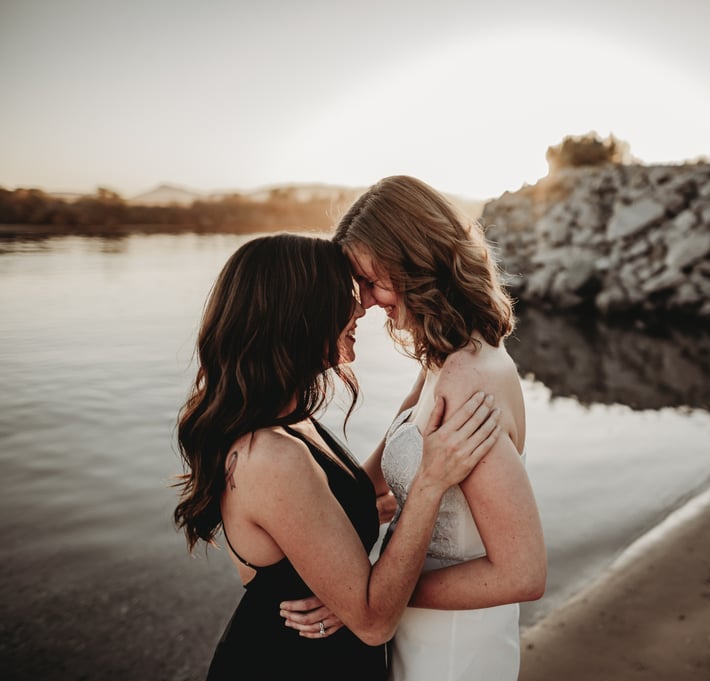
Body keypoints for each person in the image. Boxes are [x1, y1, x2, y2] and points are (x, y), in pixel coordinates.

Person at [172, 233, 501, 679]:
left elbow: (355, 498)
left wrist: (430, 380)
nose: (360, 308)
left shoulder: (288, 422)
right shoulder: (269, 456)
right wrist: (429, 483)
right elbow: (373, 622)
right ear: (299, 314)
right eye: (343, 296)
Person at [280, 176, 547, 680]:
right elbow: (379, 475)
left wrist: (368, 599)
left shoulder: (468, 384)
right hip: (419, 626)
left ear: (418, 265)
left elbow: (523, 573)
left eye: (373, 281)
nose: (367, 301)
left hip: (453, 648)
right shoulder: (445, 360)